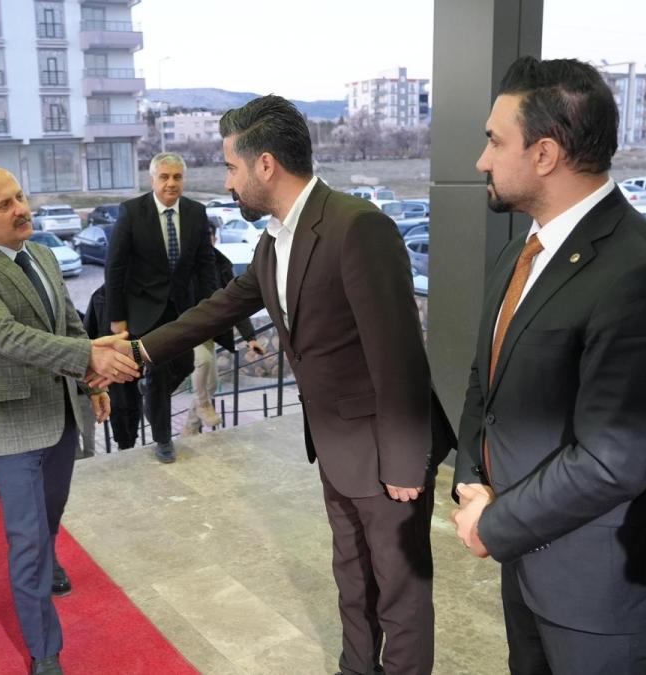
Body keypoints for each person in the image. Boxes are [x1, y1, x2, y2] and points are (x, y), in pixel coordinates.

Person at [116, 95, 455, 675]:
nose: (227, 182)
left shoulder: (357, 226)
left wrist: (405, 463)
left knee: (400, 597)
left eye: (231, 167)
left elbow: (399, 356)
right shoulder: (274, 239)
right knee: (352, 582)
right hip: (334, 447)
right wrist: (138, 351)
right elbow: (221, 306)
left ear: (265, 165)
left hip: (385, 455)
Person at [448, 57, 646, 674]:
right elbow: (487, 381)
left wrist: (493, 524)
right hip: (526, 563)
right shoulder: (524, 250)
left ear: (544, 154)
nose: (482, 161)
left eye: (494, 141)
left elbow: (611, 459)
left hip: (601, 595)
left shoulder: (645, 274)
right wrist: (471, 478)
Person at [0, 167, 136, 675]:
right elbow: (9, 338)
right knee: (27, 538)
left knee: (49, 516)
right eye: (4, 205)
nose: (21, 209)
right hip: (10, 424)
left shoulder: (45, 254)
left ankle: (49, 563)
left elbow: (69, 325)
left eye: (20, 196)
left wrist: (90, 385)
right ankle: (45, 651)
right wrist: (90, 356)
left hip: (60, 414)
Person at [105, 152, 217, 463]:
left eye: (177, 177)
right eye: (164, 177)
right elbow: (114, 268)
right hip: (143, 310)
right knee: (157, 371)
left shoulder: (196, 212)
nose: (171, 183)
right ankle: (163, 439)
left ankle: (151, 393)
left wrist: (210, 311)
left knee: (183, 365)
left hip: (181, 309)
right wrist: (117, 318)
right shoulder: (131, 212)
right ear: (152, 179)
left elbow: (206, 266)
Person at [183, 224, 266, 436]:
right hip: (186, 328)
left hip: (209, 332)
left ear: (214, 239)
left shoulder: (222, 265)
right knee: (204, 361)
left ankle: (190, 428)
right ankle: (202, 406)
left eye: (208, 237)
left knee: (211, 384)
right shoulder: (182, 265)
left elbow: (236, 302)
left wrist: (250, 337)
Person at [83, 285, 142, 450]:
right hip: (109, 360)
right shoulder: (100, 295)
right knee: (119, 405)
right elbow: (88, 331)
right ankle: (124, 444)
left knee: (133, 403)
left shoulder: (136, 294)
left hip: (133, 357)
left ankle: (128, 443)